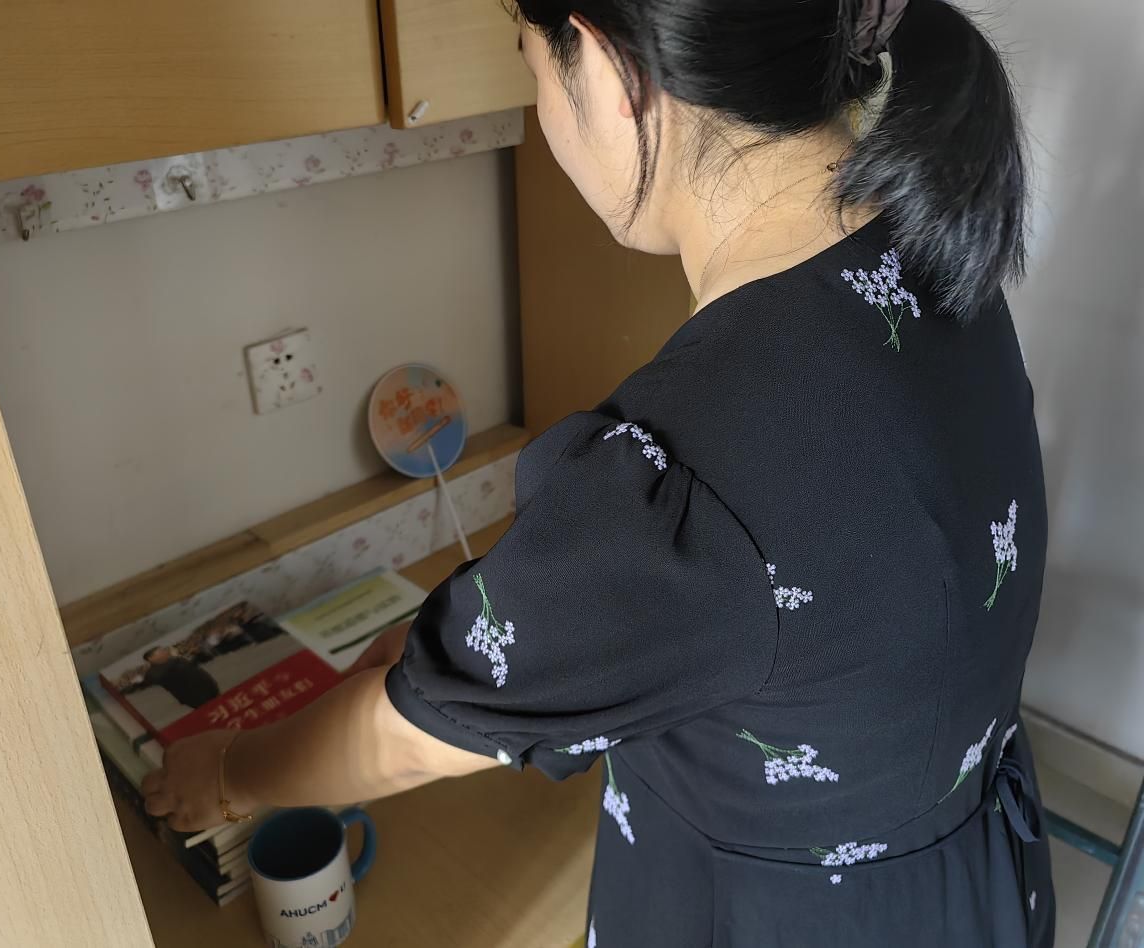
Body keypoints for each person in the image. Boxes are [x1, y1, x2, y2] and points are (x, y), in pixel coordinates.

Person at [144, 1, 1054, 944]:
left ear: (612, 69)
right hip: (968, 878)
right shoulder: (926, 258)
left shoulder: (691, 471)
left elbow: (402, 743)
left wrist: (227, 773)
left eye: (532, 67)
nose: (542, 111)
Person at [135, 645, 221, 710]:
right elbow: (161, 676)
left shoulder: (174, 660)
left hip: (209, 687)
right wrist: (177, 658)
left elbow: (193, 666)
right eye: (161, 651)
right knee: (211, 711)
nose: (165, 652)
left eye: (163, 650)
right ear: (150, 658)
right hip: (194, 696)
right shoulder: (152, 672)